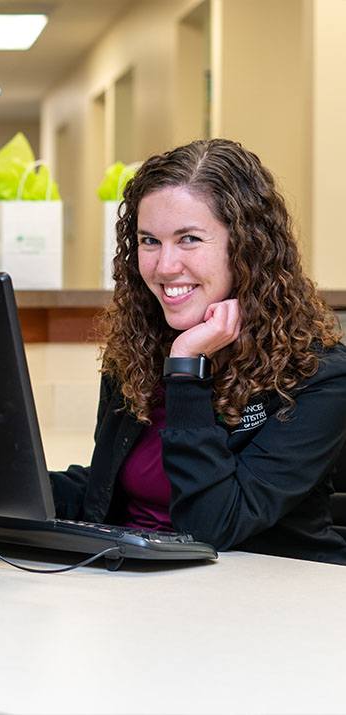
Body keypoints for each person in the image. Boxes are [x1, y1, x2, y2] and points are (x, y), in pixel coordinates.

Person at [50, 138, 346, 565]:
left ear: (247, 247)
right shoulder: (136, 351)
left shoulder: (318, 375)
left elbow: (214, 526)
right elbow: (109, 487)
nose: (165, 266)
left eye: (188, 239)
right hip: (135, 583)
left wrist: (187, 371)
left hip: (258, 599)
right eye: (149, 241)